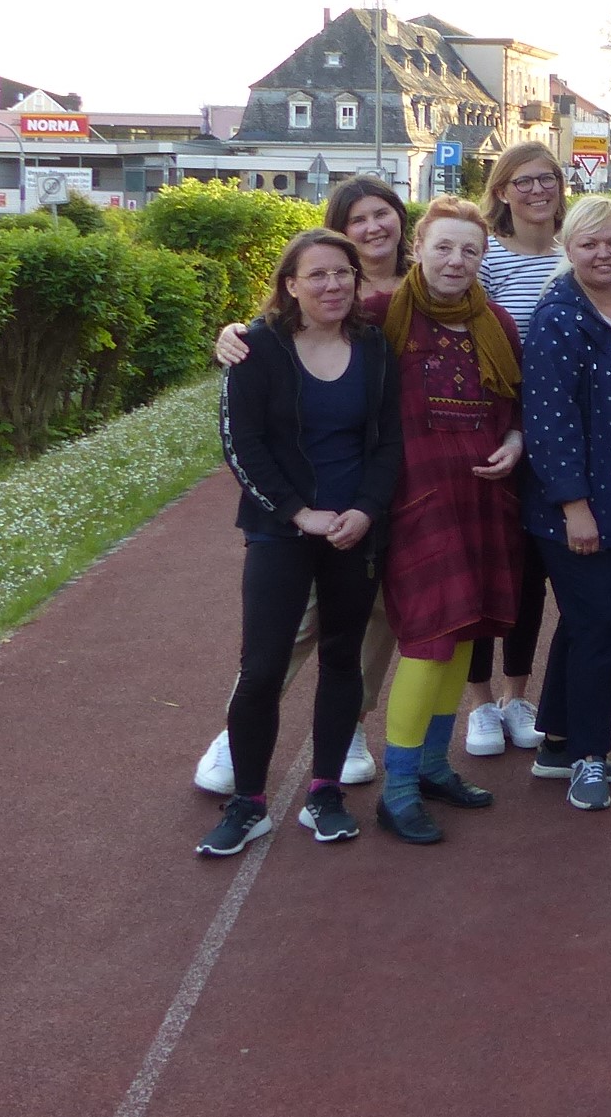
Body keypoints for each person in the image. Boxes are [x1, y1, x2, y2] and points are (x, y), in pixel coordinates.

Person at [195, 176, 409, 796]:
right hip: (291, 521)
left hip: (375, 500)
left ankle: (346, 738)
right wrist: (234, 334)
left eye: (382, 213)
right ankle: (241, 740)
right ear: (293, 280)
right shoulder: (266, 342)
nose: (373, 227)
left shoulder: (415, 295)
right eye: (357, 219)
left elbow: (387, 432)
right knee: (278, 642)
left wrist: (366, 507)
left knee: (369, 628)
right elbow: (244, 440)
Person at [373, 197, 525, 842]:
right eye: (443, 247)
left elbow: (517, 403)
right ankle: (397, 789)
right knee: (428, 639)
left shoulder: (495, 320)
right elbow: (299, 330)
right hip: (416, 502)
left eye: (469, 249)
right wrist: (236, 333)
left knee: (465, 635)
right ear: (418, 250)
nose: (456, 260)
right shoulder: (379, 313)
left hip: (484, 500)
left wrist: (515, 440)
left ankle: (434, 767)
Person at [519, 196, 611, 812]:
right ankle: (589, 756)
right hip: (582, 506)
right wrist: (574, 507)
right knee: (603, 624)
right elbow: (549, 423)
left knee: (586, 622)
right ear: (568, 248)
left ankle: (557, 742)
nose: (603, 253)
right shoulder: (558, 318)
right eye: (589, 243)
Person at [466, 141, 570, 757]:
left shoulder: (573, 255)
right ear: (502, 191)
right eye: (523, 181)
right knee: (486, 569)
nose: (537, 191)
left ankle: (516, 694)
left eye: (547, 178)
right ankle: (480, 703)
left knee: (532, 575)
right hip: (494, 433)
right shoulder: (487, 259)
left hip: (553, 438)